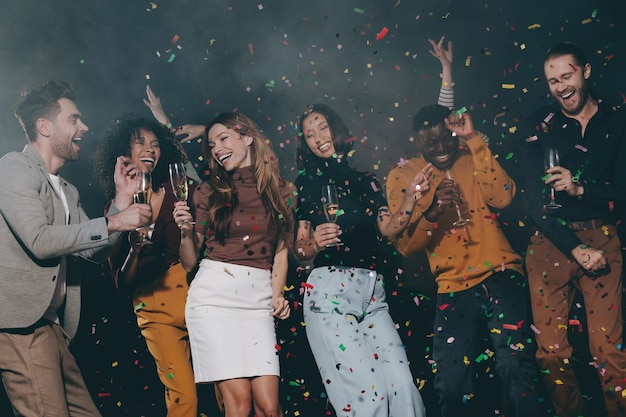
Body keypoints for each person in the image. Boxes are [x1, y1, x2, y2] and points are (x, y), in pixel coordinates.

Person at [0, 81, 151, 416]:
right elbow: (39, 242)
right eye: (74, 120)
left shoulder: (66, 190)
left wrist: (121, 200)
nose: (84, 127)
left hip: (53, 327)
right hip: (22, 328)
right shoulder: (13, 168)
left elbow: (93, 251)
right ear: (44, 126)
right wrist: (115, 222)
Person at [385, 105, 541, 416]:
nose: (442, 148)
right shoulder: (404, 175)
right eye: (432, 143)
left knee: (515, 366)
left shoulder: (472, 155)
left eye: (447, 139)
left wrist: (474, 140)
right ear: (417, 142)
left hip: (500, 272)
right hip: (452, 286)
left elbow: (504, 197)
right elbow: (405, 246)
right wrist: (432, 212)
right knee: (452, 383)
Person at [292, 102, 430, 417]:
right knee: (369, 399)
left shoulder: (365, 180)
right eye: (309, 134)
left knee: (403, 389)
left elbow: (389, 228)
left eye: (322, 127)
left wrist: (410, 198)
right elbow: (300, 251)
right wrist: (313, 243)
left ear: (336, 129)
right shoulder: (306, 185)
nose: (317, 138)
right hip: (329, 291)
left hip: (372, 291)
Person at [518, 42, 626, 417]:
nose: (561, 86)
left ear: (586, 72)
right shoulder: (536, 125)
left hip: (601, 237)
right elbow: (533, 203)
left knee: (607, 351)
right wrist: (574, 247)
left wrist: (580, 188)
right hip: (549, 241)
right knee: (551, 353)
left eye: (567, 76)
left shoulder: (618, 121)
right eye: (552, 81)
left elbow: (623, 192)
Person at [175, 111, 293, 417]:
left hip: (258, 303)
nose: (216, 148)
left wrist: (278, 295)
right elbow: (189, 263)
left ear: (248, 138)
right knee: (239, 405)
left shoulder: (282, 191)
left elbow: (280, 252)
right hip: (214, 299)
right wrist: (186, 232)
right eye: (211, 144)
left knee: (270, 408)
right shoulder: (209, 191)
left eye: (223, 138)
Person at [94, 116, 199, 417]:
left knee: (224, 389)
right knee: (185, 401)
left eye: (155, 144)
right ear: (124, 151)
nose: (150, 149)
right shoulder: (117, 208)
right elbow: (121, 284)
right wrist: (135, 254)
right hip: (154, 309)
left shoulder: (181, 189)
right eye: (140, 141)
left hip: (197, 298)